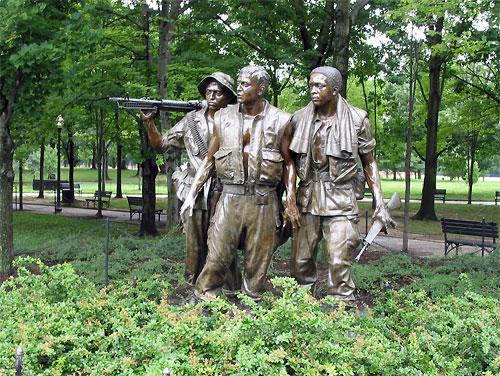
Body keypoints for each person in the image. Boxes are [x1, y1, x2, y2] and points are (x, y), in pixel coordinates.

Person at [181, 65, 301, 301]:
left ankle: (250, 310)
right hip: (230, 197)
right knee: (217, 255)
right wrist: (191, 195)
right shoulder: (223, 117)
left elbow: (289, 163)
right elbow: (209, 160)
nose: (239, 87)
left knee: (258, 262)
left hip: (263, 200)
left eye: (246, 84)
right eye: (239, 83)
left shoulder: (282, 120)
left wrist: (291, 202)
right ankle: (204, 304)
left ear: (261, 89)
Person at [289, 66, 391, 301]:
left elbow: (369, 163)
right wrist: (290, 200)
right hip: (308, 196)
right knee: (300, 261)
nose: (312, 91)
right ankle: (300, 310)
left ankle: (340, 310)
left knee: (337, 258)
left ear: (335, 90)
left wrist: (380, 204)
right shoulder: (298, 118)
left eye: (319, 86)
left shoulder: (357, 119)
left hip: (341, 197)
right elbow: (289, 163)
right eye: (310, 86)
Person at [141, 72, 241, 302]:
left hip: (226, 191)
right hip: (195, 191)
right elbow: (160, 145)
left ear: (228, 96)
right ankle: (194, 292)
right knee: (194, 245)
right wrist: (149, 122)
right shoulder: (190, 121)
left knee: (225, 243)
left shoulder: (237, 120)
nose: (212, 96)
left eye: (218, 92)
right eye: (208, 92)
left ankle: (233, 294)